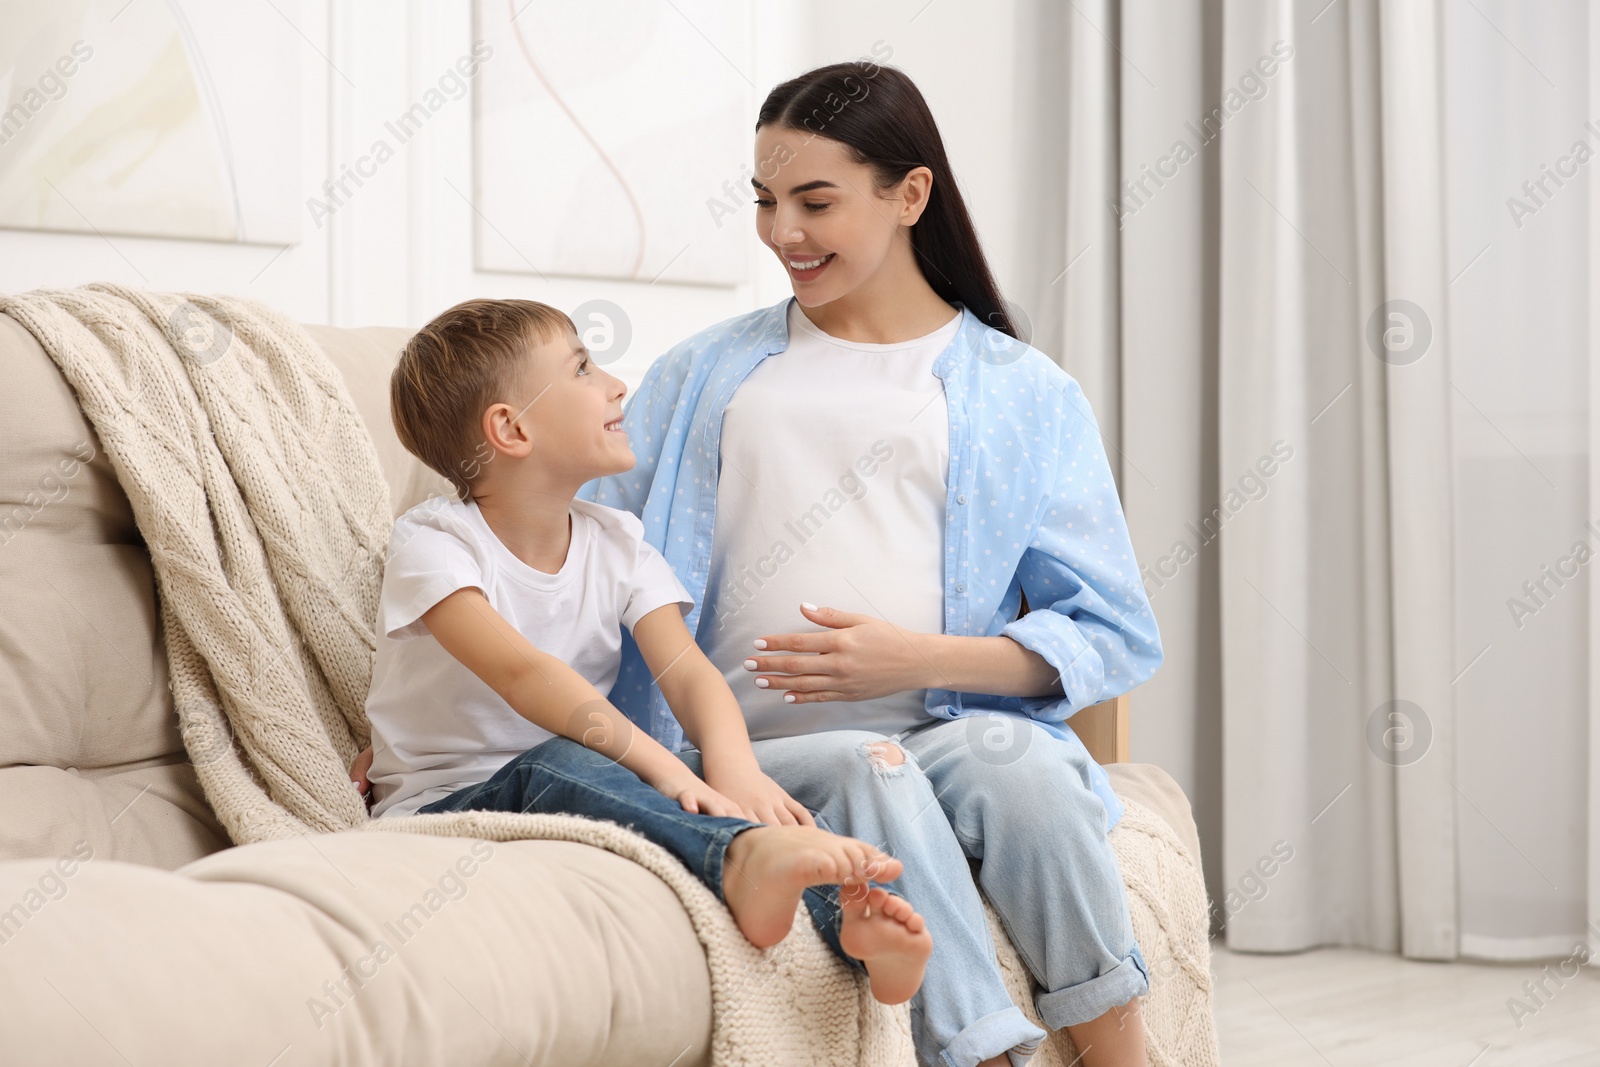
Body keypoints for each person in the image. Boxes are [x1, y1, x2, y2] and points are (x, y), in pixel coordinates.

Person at [576, 64, 1164, 1067]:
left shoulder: (1025, 392)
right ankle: (986, 1055)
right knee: (864, 762)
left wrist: (911, 659)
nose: (782, 234)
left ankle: (1126, 1054)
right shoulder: (702, 373)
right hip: (745, 759)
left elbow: (1108, 628)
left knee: (1028, 773)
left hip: (946, 732)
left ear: (909, 194)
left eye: (814, 202)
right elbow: (587, 562)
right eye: (765, 201)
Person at [355, 297, 933, 1005]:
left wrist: (732, 768)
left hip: (593, 777)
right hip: (451, 805)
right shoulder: (435, 543)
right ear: (510, 428)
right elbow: (525, 674)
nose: (615, 384)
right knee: (564, 764)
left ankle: (849, 928)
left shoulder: (616, 539)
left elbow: (685, 670)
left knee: (777, 773)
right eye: (581, 368)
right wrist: (665, 770)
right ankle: (742, 857)